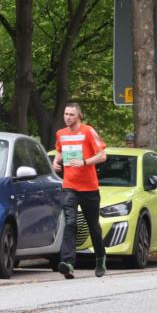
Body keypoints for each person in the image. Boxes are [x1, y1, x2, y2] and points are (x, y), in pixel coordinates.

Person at [52, 101, 108, 279]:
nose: (67, 118)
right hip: (69, 186)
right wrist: (55, 161)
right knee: (70, 222)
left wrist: (84, 162)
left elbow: (102, 156)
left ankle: (100, 258)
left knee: (93, 226)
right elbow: (60, 151)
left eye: (71, 115)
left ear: (79, 116)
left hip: (89, 187)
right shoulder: (60, 134)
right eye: (65, 114)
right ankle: (68, 263)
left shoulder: (88, 131)